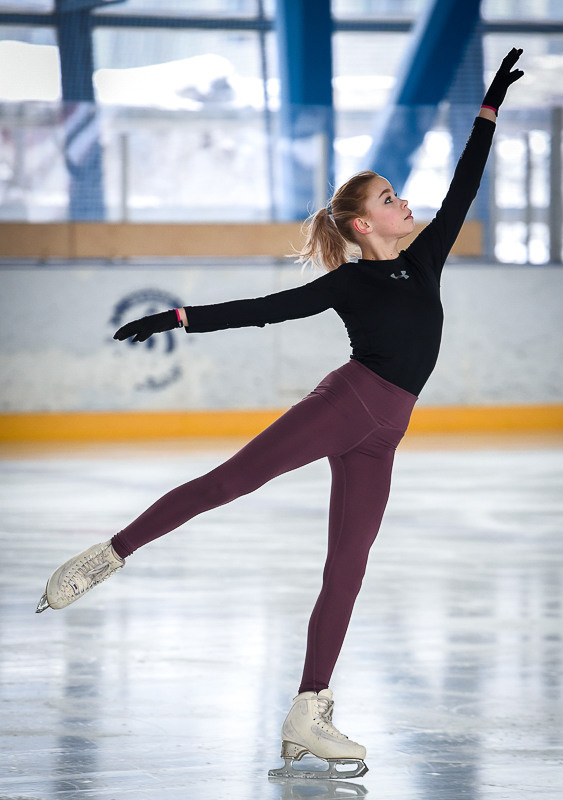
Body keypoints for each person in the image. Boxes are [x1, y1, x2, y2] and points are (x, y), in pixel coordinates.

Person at [36, 49, 524, 780]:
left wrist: (487, 111)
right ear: (362, 226)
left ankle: (308, 711)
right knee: (228, 482)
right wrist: (174, 316)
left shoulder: (423, 262)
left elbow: (463, 187)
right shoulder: (350, 284)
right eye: (388, 199)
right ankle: (107, 555)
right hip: (346, 404)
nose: (403, 204)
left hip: (385, 432)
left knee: (348, 567)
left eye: (397, 195)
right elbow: (262, 311)